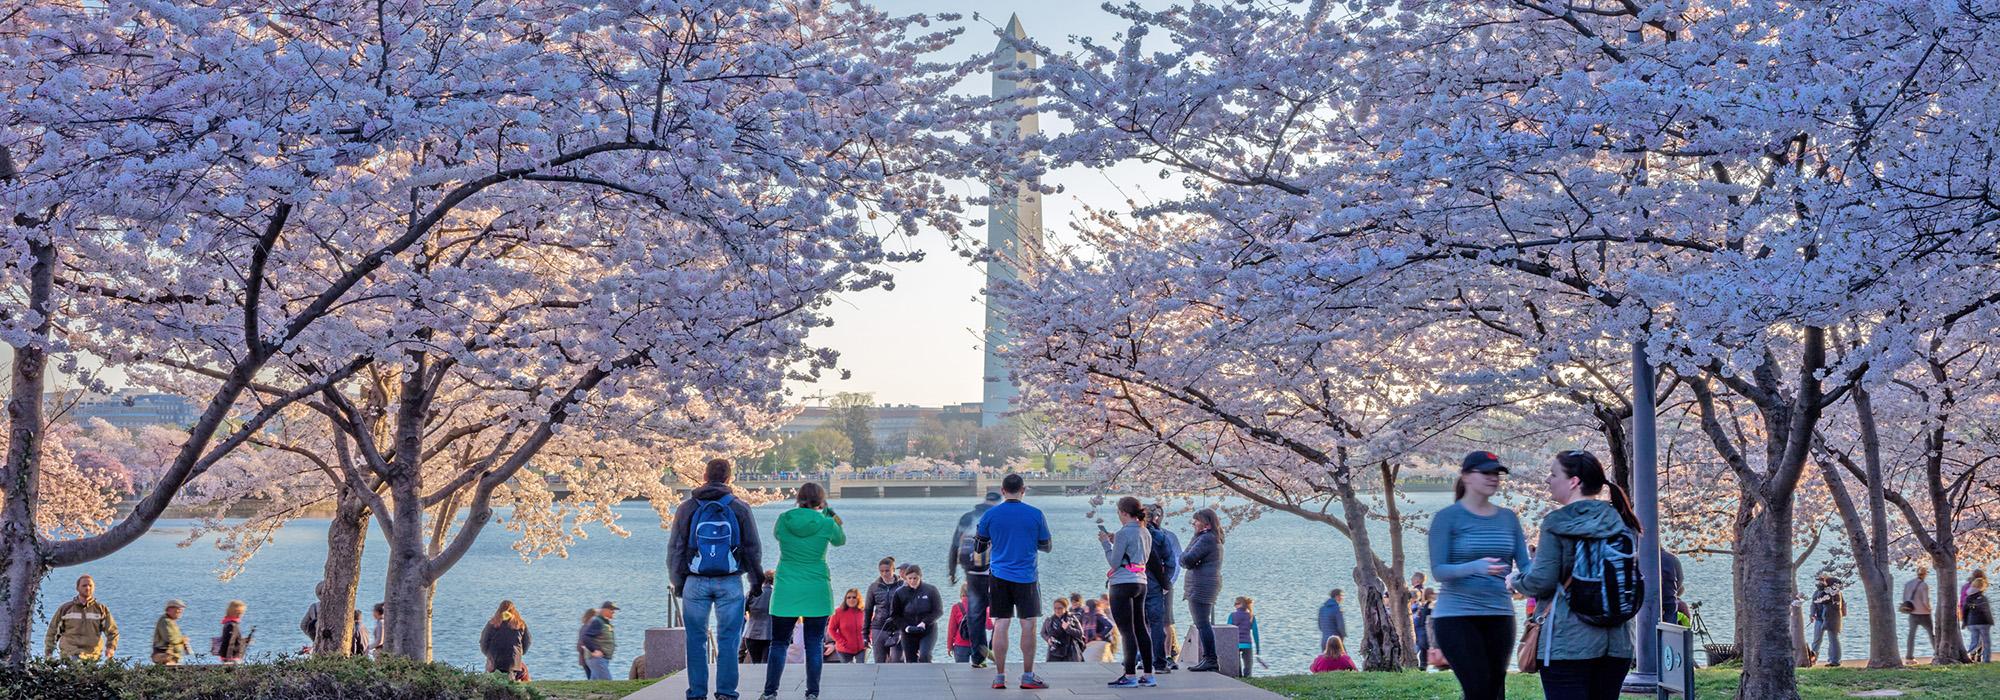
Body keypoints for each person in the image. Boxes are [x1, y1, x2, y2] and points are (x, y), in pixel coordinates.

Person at [1516, 450, 1641, 700]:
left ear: (1574, 482)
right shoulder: (1621, 519)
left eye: (1553, 474)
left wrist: (1516, 580)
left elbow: (1542, 581)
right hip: (1617, 642)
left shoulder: (1557, 522)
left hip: (1567, 643)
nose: (1548, 480)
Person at [1429, 451, 1531, 700]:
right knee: (1479, 689)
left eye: (1496, 473)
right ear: (1466, 477)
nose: (1493, 478)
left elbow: (1525, 565)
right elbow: (1439, 571)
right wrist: (1475, 567)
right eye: (1485, 472)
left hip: (1500, 614)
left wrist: (1536, 579)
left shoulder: (1508, 518)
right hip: (1456, 616)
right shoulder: (1447, 518)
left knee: (1495, 691)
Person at [668, 458, 766, 699]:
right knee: (729, 641)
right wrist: (755, 583)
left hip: (695, 580)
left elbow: (675, 550)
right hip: (730, 581)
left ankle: (697, 693)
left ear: (704, 475)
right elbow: (753, 549)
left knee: (696, 640)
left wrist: (679, 583)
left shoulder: (687, 507)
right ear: (728, 478)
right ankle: (725, 693)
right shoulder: (739, 508)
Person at [763, 482, 846, 700]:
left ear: (799, 498)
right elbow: (840, 540)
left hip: (786, 589)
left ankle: (770, 692)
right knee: (814, 643)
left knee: (779, 643)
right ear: (822, 500)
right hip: (816, 588)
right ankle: (812, 693)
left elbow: (778, 536)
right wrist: (830, 514)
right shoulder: (827, 523)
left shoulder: (784, 519)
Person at [974, 473, 1054, 689]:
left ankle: (999, 677)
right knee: (1028, 624)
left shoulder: (991, 515)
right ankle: (1028, 676)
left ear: (1002, 490)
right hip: (1027, 576)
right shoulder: (1036, 514)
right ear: (1023, 490)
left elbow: (979, 547)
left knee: (1001, 623)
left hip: (999, 574)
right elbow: (1047, 546)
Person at [1100, 495, 1156, 688]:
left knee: (1126, 630)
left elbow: (1114, 562)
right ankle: (1149, 674)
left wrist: (1106, 544)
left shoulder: (1123, 533)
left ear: (1124, 512)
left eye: (1119, 513)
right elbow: (1141, 557)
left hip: (1122, 583)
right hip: (1141, 582)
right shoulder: (1145, 531)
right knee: (1141, 627)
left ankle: (1130, 674)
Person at [949, 491, 1002, 667]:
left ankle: (979, 657)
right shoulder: (998, 516)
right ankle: (995, 649)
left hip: (972, 575)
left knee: (975, 617)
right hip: (996, 575)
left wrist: (952, 571)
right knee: (1001, 614)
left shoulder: (967, 517)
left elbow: (955, 544)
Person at [1179, 507, 1224, 672]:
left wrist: (1186, 553)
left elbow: (1187, 559)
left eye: (1197, 520)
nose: (1194, 523)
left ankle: (1210, 659)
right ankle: (1209, 659)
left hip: (1201, 585)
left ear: (1206, 524)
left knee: (1202, 623)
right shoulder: (1212, 538)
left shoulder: (1205, 539)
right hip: (1205, 584)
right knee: (1203, 623)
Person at [1142, 503, 1182, 672]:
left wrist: (1168, 583)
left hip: (1161, 583)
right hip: (1153, 582)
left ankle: (1165, 656)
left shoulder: (1168, 536)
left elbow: (1175, 561)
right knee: (1148, 622)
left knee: (1164, 621)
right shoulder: (1143, 534)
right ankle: (1148, 655)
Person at [46, 574, 118, 660]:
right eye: (84, 585)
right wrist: (49, 652)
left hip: (92, 655)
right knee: (76, 664)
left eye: (90, 585)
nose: (87, 588)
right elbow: (53, 631)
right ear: (77, 588)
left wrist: (111, 648)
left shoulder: (101, 609)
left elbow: (112, 631)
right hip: (70, 653)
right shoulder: (66, 609)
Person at [888, 565, 944, 663]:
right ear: (906, 578)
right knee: (910, 660)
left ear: (920, 577)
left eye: (915, 578)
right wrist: (905, 627)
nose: (912, 581)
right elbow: (895, 615)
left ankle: (928, 675)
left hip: (927, 630)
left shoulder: (931, 590)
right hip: (908, 632)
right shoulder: (900, 593)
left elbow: (938, 611)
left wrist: (924, 623)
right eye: (910, 578)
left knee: (924, 655)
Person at [480, 600, 532, 680]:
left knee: (493, 677)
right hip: (513, 662)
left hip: (495, 661)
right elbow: (527, 642)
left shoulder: (492, 623)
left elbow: (483, 642)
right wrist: (520, 653)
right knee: (511, 677)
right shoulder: (521, 624)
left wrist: (488, 655)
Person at [864, 557, 903, 663]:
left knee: (897, 661)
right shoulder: (874, 587)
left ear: (893, 570)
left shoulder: (902, 585)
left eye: (887, 571)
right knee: (880, 662)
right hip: (879, 627)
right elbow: (868, 610)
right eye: (881, 571)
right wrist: (865, 634)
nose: (884, 573)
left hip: (897, 628)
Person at [1810, 573, 1846, 667]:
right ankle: (1812, 659)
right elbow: (1813, 603)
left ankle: (1835, 660)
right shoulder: (1818, 592)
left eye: (1822, 580)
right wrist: (1812, 614)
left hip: (1831, 619)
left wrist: (1842, 614)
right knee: (1816, 640)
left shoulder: (1834, 593)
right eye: (1819, 580)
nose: (1820, 582)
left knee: (1833, 640)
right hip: (1819, 618)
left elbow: (1841, 604)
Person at [580, 601, 620, 680]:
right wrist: (594, 650)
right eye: (611, 610)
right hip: (597, 659)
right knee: (607, 682)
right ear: (605, 610)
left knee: (595, 685)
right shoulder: (597, 621)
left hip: (601, 659)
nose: (613, 612)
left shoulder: (604, 622)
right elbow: (586, 637)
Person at [1904, 567, 1935, 661]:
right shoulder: (1924, 585)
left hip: (1912, 613)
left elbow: (1905, 599)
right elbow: (1925, 601)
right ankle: (1937, 652)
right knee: (1931, 634)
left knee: (1911, 635)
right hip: (1924, 613)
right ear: (1925, 574)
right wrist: (1929, 609)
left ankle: (1909, 657)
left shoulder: (1908, 584)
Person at [1041, 597, 1086, 662]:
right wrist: (1048, 639)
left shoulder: (1072, 619)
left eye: (1060, 608)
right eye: (1055, 608)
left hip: (1070, 652)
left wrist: (1068, 629)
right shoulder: (1049, 620)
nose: (1057, 610)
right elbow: (1043, 633)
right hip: (1054, 651)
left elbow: (1080, 633)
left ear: (1065, 608)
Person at [828, 589, 867, 663]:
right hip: (844, 649)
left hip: (862, 648)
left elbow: (871, 626)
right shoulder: (838, 612)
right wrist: (842, 642)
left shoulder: (864, 611)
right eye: (848, 597)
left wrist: (868, 639)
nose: (851, 599)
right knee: (847, 671)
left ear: (858, 599)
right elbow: (831, 629)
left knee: (862, 670)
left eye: (854, 597)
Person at [1227, 597, 1260, 677]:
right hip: (1247, 644)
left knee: (1236, 665)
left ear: (1240, 605)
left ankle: (1239, 677)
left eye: (1236, 604)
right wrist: (1257, 648)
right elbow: (1255, 633)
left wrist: (1228, 645)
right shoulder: (1251, 616)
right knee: (1248, 665)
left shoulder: (1232, 616)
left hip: (1235, 644)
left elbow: (1228, 631)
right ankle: (1247, 678)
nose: (1234, 605)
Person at [745, 574, 774, 663]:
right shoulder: (777, 594)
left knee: (756, 663)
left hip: (751, 633)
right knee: (766, 664)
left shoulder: (752, 593)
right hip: (770, 633)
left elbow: (742, 610)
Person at [151, 599, 190, 665]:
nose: (180, 612)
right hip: (164, 655)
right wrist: (183, 639)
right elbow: (170, 638)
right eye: (177, 610)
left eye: (181, 610)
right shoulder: (165, 621)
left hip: (172, 656)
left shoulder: (171, 621)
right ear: (169, 609)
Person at [1966, 578, 1993, 663]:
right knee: (1986, 643)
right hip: (1983, 622)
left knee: (1975, 641)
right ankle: (1986, 660)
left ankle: (1968, 653)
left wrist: (1965, 621)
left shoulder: (1968, 596)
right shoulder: (1982, 597)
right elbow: (1985, 611)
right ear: (1982, 586)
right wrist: (1990, 621)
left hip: (1972, 622)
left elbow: (1965, 609)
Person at [217, 600, 252, 664]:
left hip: (230, 656)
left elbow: (233, 641)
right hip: (232, 658)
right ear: (236, 612)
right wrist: (228, 659)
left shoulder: (227, 623)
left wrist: (245, 641)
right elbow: (230, 642)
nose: (241, 615)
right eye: (240, 613)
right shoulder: (232, 625)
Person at [575, 609, 599, 676]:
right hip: (588, 658)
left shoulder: (585, 627)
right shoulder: (588, 628)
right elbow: (581, 645)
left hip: (587, 658)